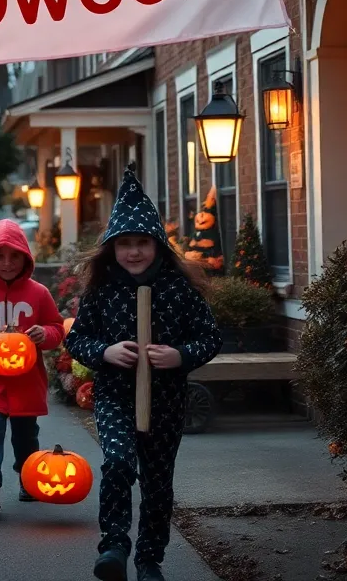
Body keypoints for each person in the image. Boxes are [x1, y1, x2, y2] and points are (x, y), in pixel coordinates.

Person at [64, 170, 222, 581]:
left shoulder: (178, 289)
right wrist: (105, 351)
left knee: (157, 482)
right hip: (115, 395)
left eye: (143, 243)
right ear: (112, 247)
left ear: (157, 245)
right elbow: (77, 340)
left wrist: (180, 355)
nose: (134, 252)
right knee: (117, 462)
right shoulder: (102, 290)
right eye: (125, 244)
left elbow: (209, 337)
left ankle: (149, 559)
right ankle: (114, 545)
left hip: (167, 400)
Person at [0, 219, 65, 511]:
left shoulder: (38, 293)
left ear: (25, 257)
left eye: (14, 256)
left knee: (25, 432)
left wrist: (43, 333)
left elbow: (57, 328)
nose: (7, 263)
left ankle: (28, 477)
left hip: (26, 379)